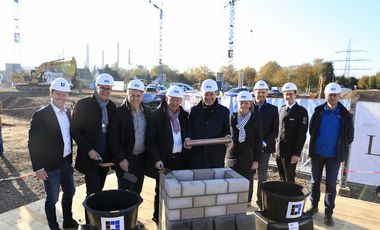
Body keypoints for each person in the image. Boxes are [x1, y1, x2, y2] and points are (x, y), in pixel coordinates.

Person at [28, 78, 78, 230]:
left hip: (66, 163)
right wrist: (38, 168)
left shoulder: (67, 112)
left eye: (65, 94)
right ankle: (54, 227)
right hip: (50, 166)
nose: (61, 97)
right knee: (52, 198)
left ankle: (68, 220)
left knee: (70, 192)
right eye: (58, 94)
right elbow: (33, 144)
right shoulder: (41, 115)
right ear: (51, 93)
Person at [305, 83, 354, 226]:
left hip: (334, 156)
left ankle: (328, 213)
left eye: (335, 95)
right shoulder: (318, 111)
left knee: (331, 185)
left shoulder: (344, 115)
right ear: (325, 95)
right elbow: (311, 130)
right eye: (330, 95)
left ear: (339, 96)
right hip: (317, 154)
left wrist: (338, 147)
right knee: (314, 182)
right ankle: (313, 207)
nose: (332, 97)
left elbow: (349, 136)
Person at [71, 73, 116, 223]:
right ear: (96, 87)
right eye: (102, 88)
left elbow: (113, 133)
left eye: (108, 88)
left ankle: (97, 220)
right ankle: (90, 223)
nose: (106, 91)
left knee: (99, 190)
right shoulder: (83, 104)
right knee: (92, 192)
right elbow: (75, 131)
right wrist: (88, 150)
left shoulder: (111, 106)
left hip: (104, 159)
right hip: (89, 157)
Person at [109, 79, 154, 228]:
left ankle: (133, 220)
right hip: (125, 161)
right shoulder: (119, 112)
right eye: (132, 95)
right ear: (127, 94)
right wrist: (121, 158)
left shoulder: (147, 111)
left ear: (142, 95)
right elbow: (113, 138)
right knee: (125, 187)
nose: (135, 98)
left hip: (140, 160)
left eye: (138, 95)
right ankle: (123, 221)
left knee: (137, 188)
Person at [150, 85, 189, 226]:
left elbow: (187, 134)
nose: (174, 103)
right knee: (160, 190)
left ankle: (175, 216)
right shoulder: (157, 115)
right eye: (171, 99)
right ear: (167, 98)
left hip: (180, 160)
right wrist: (156, 159)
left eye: (177, 100)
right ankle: (157, 217)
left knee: (178, 189)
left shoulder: (184, 116)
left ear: (181, 101)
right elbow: (151, 141)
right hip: (164, 160)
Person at [226, 91, 263, 206]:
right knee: (231, 180)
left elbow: (258, 142)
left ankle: (246, 202)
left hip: (249, 155)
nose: (244, 105)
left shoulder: (256, 119)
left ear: (250, 104)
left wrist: (256, 161)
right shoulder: (232, 117)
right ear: (238, 103)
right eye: (241, 102)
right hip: (233, 155)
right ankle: (232, 201)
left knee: (248, 180)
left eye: (246, 103)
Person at [184, 79, 230, 169]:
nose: (208, 97)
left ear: (216, 93)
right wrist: (188, 138)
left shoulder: (224, 111)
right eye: (206, 94)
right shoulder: (194, 111)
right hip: (197, 156)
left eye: (211, 94)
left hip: (215, 157)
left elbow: (226, 130)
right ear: (202, 94)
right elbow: (190, 129)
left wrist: (227, 137)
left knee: (214, 183)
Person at [252, 80, 279, 209]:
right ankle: (246, 199)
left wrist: (264, 141)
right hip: (250, 148)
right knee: (249, 174)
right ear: (254, 93)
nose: (261, 95)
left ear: (267, 93)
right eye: (259, 92)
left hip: (265, 147)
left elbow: (275, 130)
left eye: (263, 92)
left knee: (262, 176)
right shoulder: (248, 107)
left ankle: (260, 201)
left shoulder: (273, 110)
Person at [275, 82, 308, 183]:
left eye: (290, 94)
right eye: (286, 94)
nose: (288, 96)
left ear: (295, 94)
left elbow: (302, 135)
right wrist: (275, 149)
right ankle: (282, 198)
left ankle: (290, 199)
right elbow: (278, 130)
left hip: (291, 152)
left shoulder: (301, 111)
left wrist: (296, 154)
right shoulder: (282, 109)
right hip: (279, 151)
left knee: (289, 179)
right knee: (281, 178)